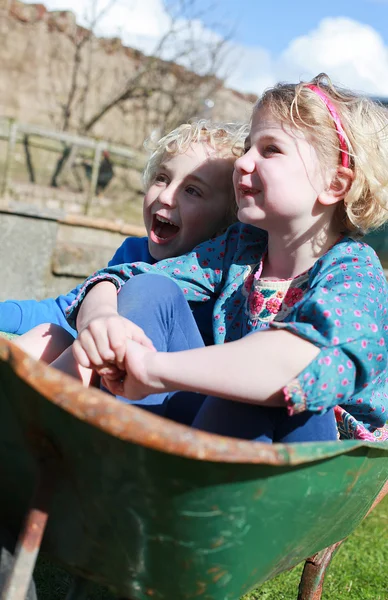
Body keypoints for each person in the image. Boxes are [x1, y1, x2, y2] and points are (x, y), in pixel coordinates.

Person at [26, 74, 388, 442]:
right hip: (216, 427)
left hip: (309, 462)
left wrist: (153, 369)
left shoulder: (354, 274)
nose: (243, 162)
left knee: (254, 384)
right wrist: (101, 318)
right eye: (247, 147)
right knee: (152, 289)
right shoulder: (241, 249)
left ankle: (151, 478)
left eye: (269, 150)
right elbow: (128, 276)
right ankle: (104, 447)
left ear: (334, 185)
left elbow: (301, 365)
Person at [3, 118, 247, 358]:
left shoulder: (226, 284)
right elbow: (65, 310)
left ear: (228, 222)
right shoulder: (134, 253)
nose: (166, 196)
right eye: (162, 178)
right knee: (52, 333)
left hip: (166, 385)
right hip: (108, 363)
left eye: (192, 191)